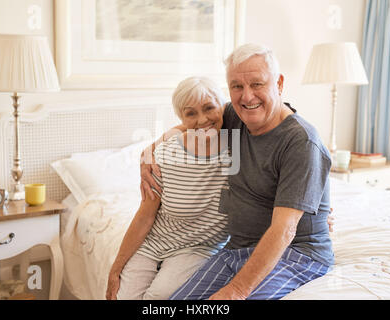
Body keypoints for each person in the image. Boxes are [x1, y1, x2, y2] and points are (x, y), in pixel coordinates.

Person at [141, 43, 334, 300]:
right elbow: (194, 121)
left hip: (297, 253)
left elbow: (284, 230)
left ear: (278, 83)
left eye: (257, 84)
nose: (247, 96)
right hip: (237, 248)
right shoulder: (236, 116)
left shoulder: (301, 141)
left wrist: (236, 290)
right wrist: (149, 150)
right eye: (237, 86)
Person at [106, 76, 232, 300]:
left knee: (159, 297)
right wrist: (116, 268)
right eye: (190, 113)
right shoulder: (163, 154)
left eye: (209, 108)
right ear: (181, 117)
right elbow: (145, 215)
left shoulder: (240, 147)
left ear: (223, 106)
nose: (202, 119)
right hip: (153, 242)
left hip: (198, 248)